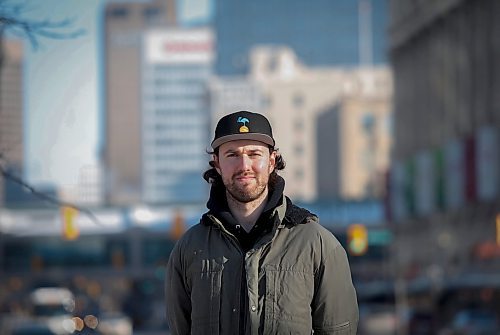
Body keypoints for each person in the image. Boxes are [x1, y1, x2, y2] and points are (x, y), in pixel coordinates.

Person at [165, 111, 358, 334]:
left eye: (254, 154)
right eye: (232, 155)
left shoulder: (318, 245)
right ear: (217, 164)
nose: (244, 165)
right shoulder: (189, 249)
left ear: (272, 161)